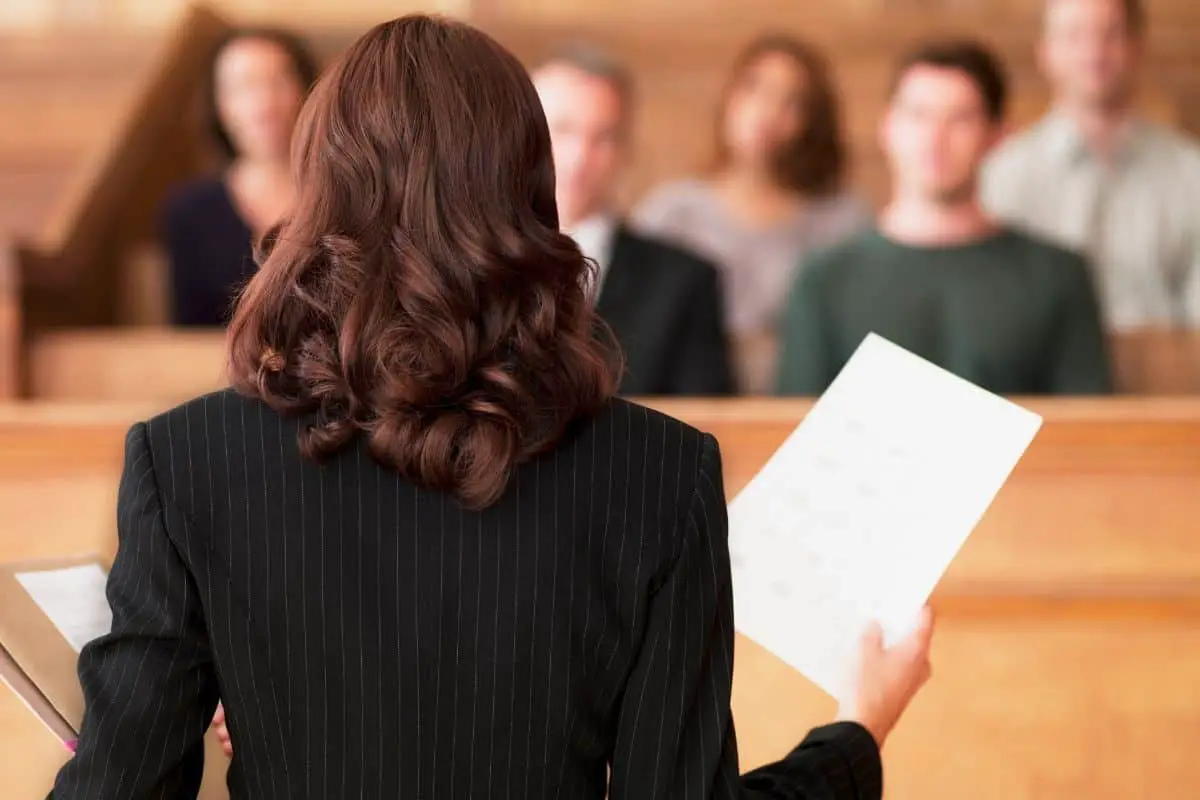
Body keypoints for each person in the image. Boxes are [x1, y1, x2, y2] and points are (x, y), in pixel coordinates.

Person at [50, 16, 933, 799]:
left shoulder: (187, 460)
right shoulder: (663, 474)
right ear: (529, 187)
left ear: (318, 189)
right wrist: (857, 733)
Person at [777, 41, 1112, 397]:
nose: (935, 138)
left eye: (960, 119)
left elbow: (1086, 433)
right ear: (888, 127)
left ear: (996, 136)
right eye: (918, 115)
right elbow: (789, 429)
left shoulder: (1058, 277)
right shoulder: (824, 280)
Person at [634, 35, 870, 394]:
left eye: (793, 102)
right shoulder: (672, 213)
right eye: (753, 88)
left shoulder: (840, 220)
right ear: (729, 96)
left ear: (812, 123)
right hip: (690, 408)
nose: (767, 112)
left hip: (805, 406)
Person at [531, 46, 735, 396]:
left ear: (626, 151)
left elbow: (709, 421)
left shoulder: (686, 282)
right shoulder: (473, 264)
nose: (580, 156)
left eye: (604, 137)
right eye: (562, 129)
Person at [983, 0, 1200, 328]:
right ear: (1045, 52)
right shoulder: (1002, 175)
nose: (1094, 52)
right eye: (1074, 35)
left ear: (1137, 46)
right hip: (1037, 376)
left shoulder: (1190, 173)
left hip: (1169, 371)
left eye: (1110, 34)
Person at [161, 28, 319, 326]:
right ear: (219, 105)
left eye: (279, 81)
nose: (264, 104)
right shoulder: (189, 211)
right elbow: (186, 332)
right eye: (244, 86)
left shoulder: (341, 196)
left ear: (308, 92)